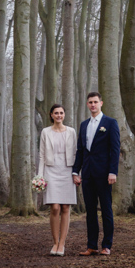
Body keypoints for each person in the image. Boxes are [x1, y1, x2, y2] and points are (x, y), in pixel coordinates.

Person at [72, 91, 121, 256]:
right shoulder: (84, 125)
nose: (93, 105)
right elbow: (81, 150)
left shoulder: (110, 123)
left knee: (106, 210)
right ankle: (91, 245)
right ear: (87, 105)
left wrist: (113, 172)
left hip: (104, 174)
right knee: (90, 211)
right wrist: (75, 171)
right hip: (87, 174)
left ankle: (107, 245)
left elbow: (115, 150)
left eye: (95, 102)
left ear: (101, 103)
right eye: (90, 102)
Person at [38, 104, 77, 256]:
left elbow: (76, 153)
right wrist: (40, 176)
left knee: (66, 207)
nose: (59, 115)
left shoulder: (71, 132)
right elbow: (41, 155)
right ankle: (54, 242)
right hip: (51, 170)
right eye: (56, 113)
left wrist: (76, 173)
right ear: (51, 115)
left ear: (64, 115)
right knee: (54, 207)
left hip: (67, 170)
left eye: (61, 113)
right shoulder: (45, 132)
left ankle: (62, 244)